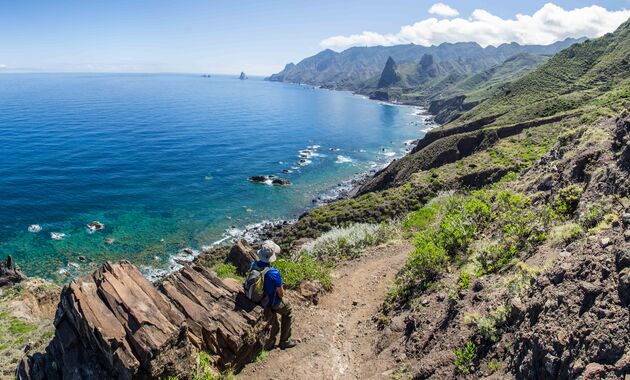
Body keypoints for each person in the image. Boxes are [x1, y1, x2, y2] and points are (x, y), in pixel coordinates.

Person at [252, 240, 297, 349]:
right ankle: (285, 341)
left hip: (258, 298)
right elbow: (281, 294)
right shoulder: (274, 273)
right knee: (289, 311)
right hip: (271, 302)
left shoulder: (253, 265)